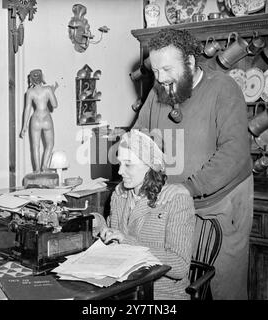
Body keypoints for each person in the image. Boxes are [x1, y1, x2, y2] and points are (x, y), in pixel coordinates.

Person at [132, 29, 253, 300]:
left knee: (223, 287)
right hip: (176, 206)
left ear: (189, 61)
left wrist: (189, 187)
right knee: (179, 286)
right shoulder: (158, 90)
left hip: (221, 207)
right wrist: (133, 160)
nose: (160, 78)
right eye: (155, 69)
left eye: (166, 69)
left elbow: (235, 153)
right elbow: (139, 138)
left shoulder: (223, 88)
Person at [100, 129, 196, 300]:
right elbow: (114, 246)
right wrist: (100, 226)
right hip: (122, 291)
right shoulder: (119, 196)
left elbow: (180, 267)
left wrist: (127, 241)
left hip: (161, 295)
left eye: (128, 164)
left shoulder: (176, 201)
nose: (120, 171)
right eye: (120, 163)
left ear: (151, 165)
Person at [20, 69, 59, 173]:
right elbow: (54, 105)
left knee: (35, 146)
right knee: (50, 144)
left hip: (35, 120)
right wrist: (52, 92)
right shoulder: (47, 89)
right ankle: (44, 166)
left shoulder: (30, 92)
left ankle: (37, 169)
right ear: (42, 78)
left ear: (31, 80)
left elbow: (27, 109)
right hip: (46, 119)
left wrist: (24, 125)